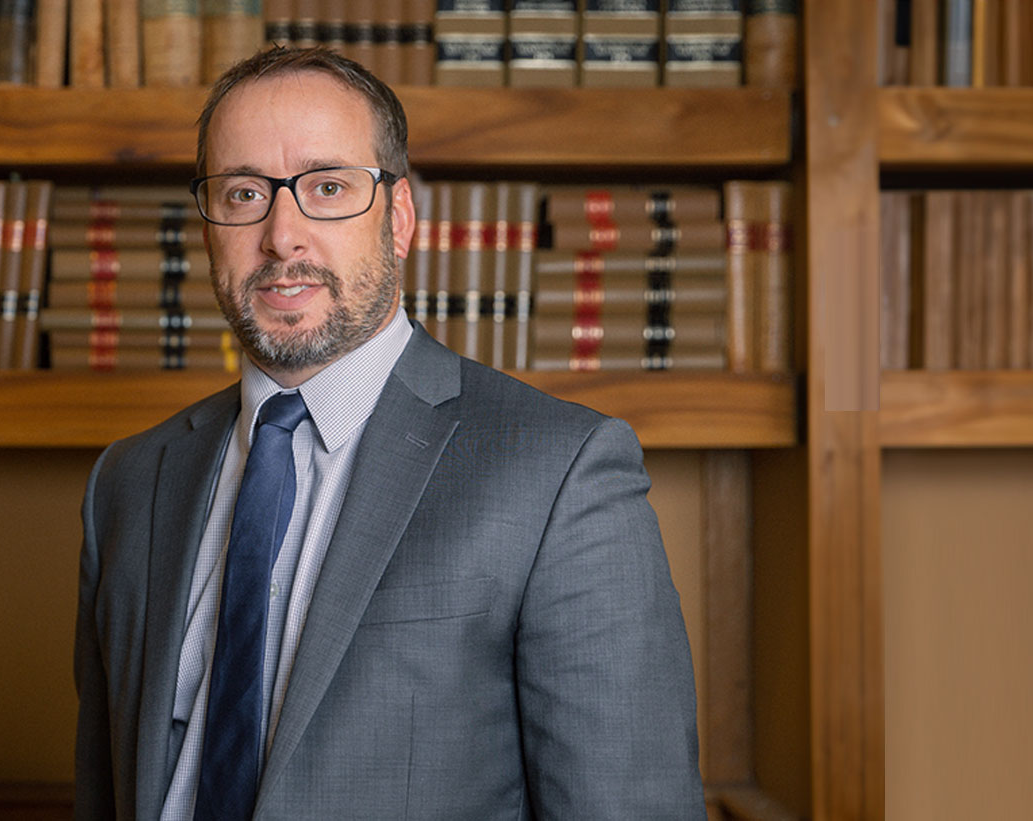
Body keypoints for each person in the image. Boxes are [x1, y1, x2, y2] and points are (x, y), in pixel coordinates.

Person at [73, 47, 705, 820]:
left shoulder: (559, 473)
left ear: (398, 218)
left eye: (327, 187)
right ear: (208, 226)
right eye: (244, 193)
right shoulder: (129, 482)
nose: (282, 237)